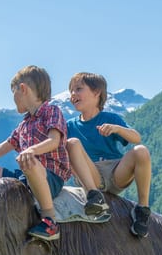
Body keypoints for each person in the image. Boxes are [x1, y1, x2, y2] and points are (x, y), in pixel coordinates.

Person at [0, 65, 71, 241]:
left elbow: (54, 140)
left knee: (31, 162)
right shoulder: (23, 125)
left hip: (50, 178)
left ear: (22, 89)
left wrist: (31, 150)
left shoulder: (51, 111)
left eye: (14, 92)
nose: (13, 99)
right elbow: (1, 149)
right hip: (24, 177)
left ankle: (50, 220)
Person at [65, 72, 153, 238]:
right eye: (70, 91)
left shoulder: (110, 118)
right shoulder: (69, 125)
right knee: (72, 143)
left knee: (141, 150)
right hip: (90, 175)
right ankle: (94, 197)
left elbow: (137, 138)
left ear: (97, 92)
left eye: (78, 89)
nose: (72, 94)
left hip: (115, 172)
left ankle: (142, 209)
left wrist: (117, 129)